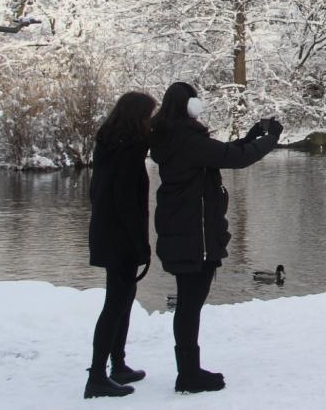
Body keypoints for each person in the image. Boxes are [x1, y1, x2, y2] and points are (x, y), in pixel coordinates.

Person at [149, 82, 282, 394]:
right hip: (194, 234)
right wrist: (271, 139)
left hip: (182, 229)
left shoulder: (173, 137)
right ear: (189, 106)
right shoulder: (186, 139)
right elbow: (236, 159)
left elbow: (221, 154)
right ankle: (188, 375)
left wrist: (250, 137)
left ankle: (189, 371)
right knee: (190, 304)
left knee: (188, 303)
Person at [85, 91, 157, 399]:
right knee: (115, 303)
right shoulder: (126, 153)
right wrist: (140, 244)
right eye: (148, 117)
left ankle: (118, 364)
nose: (150, 123)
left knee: (124, 298)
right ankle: (98, 376)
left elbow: (99, 194)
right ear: (136, 118)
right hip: (120, 238)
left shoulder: (111, 145)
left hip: (106, 233)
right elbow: (127, 202)